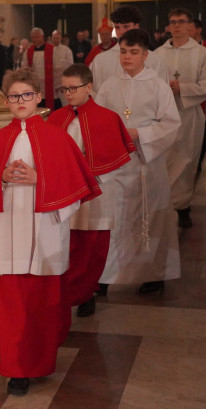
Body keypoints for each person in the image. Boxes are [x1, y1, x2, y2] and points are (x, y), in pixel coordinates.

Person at [0, 67, 100, 396]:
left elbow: (77, 187)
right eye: (13, 96)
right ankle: (16, 369)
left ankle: (40, 360)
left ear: (38, 97)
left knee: (42, 302)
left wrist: (40, 180)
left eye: (26, 95)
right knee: (11, 303)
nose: (20, 101)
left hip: (46, 229)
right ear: (6, 101)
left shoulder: (57, 138)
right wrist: (1, 177)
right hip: (9, 232)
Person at [95, 29, 181, 296]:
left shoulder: (157, 86)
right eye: (123, 51)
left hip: (147, 163)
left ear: (145, 55)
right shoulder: (109, 85)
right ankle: (106, 275)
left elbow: (171, 124)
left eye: (133, 52)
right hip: (116, 165)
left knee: (150, 218)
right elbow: (97, 120)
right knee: (115, 218)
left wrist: (139, 134)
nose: (127, 57)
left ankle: (153, 275)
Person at [49, 64, 134, 317]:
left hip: (97, 192)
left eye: (73, 88)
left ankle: (85, 293)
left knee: (92, 249)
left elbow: (115, 161)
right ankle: (63, 296)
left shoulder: (107, 118)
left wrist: (88, 173)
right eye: (64, 89)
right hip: (64, 192)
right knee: (66, 246)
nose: (68, 94)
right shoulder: (56, 118)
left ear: (89, 87)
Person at [156, 8, 206, 229]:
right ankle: (162, 205)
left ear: (190, 25)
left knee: (186, 159)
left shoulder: (201, 53)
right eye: (172, 22)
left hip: (189, 113)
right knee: (164, 160)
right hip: (163, 115)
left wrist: (182, 88)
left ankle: (182, 206)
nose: (176, 26)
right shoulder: (158, 54)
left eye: (181, 22)